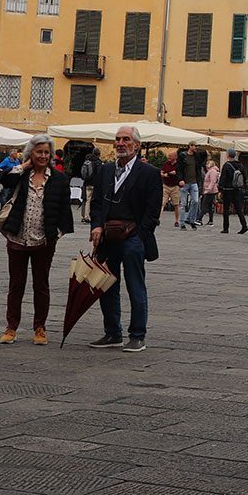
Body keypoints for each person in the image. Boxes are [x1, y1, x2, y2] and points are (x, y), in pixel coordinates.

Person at [88, 126, 163, 352]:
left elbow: (153, 210)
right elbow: (98, 203)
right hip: (108, 237)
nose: (120, 143)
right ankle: (112, 333)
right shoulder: (106, 170)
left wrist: (140, 236)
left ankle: (137, 335)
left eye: (126, 139)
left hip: (133, 239)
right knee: (107, 285)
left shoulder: (148, 173)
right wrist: (97, 226)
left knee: (135, 286)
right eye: (118, 139)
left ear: (136, 145)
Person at [0, 134, 73, 345]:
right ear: (31, 153)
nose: (43, 155)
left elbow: (64, 212)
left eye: (46, 152)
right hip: (17, 237)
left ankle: (40, 328)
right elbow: (3, 179)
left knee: (41, 285)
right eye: (38, 151)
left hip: (44, 241)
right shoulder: (22, 174)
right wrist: (24, 164)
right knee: (16, 284)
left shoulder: (59, 179)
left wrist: (55, 235)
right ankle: (11, 327)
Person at [219, 151, 248, 234]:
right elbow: (244, 177)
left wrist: (220, 189)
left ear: (228, 155)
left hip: (227, 190)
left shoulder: (226, 165)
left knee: (226, 210)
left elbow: (223, 178)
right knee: (239, 209)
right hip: (237, 190)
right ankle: (244, 226)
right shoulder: (240, 165)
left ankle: (226, 228)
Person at [176, 148, 201, 229]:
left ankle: (191, 220)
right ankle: (182, 223)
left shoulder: (196, 156)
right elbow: (178, 169)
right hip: (185, 182)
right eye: (193, 145)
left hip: (194, 182)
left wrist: (198, 180)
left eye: (196, 146)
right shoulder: (183, 156)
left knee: (196, 201)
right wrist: (180, 179)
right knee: (183, 204)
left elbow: (202, 160)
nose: (195, 147)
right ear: (190, 146)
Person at [199, 150, 218, 229]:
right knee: (209, 206)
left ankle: (198, 219)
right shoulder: (210, 171)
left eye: (207, 165)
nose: (206, 166)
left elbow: (213, 181)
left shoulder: (212, 171)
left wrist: (207, 190)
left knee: (204, 205)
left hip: (210, 191)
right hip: (209, 190)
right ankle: (210, 221)